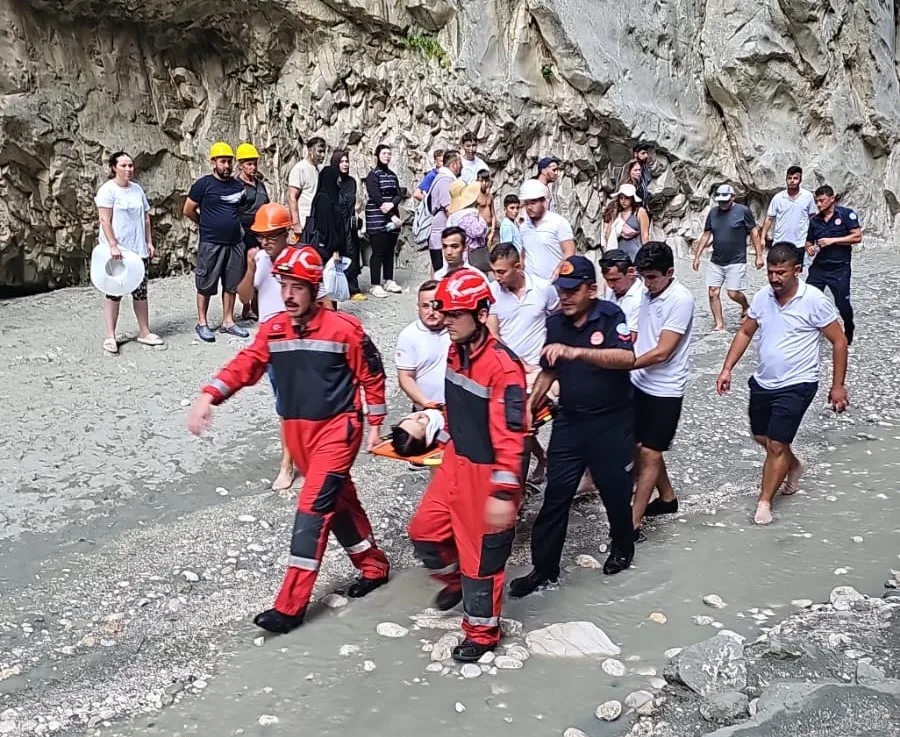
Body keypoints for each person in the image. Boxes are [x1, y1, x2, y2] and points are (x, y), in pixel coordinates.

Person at [187, 245, 391, 633]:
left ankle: (290, 607)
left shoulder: (344, 329)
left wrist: (376, 423)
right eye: (284, 284)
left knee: (312, 510)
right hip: (298, 434)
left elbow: (372, 374)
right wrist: (209, 395)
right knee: (338, 502)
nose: (288, 294)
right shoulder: (274, 328)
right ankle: (373, 565)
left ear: (315, 289)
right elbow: (246, 364)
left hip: (337, 431)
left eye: (298, 286)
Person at [407, 269, 528, 662]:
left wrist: (504, 492)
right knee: (424, 532)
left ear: (479, 314)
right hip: (457, 459)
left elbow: (513, 435)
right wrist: (430, 424)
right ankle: (453, 580)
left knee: (482, 560)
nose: (446, 321)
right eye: (445, 313)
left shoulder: (503, 367)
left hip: (488, 470)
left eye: (455, 315)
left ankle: (481, 633)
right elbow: (459, 408)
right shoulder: (455, 352)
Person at [509, 255, 637, 598]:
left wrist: (576, 352)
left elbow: (627, 359)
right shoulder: (555, 323)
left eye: (572, 290)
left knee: (614, 492)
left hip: (610, 421)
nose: (564, 296)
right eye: (561, 290)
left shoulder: (611, 317)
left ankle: (623, 546)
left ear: (591, 290)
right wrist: (530, 408)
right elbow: (549, 369)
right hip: (570, 422)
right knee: (556, 497)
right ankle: (544, 568)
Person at [716, 242, 849, 525]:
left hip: (799, 382)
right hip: (764, 381)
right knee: (760, 436)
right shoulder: (763, 297)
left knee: (776, 444)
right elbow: (745, 332)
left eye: (781, 273)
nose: (775, 278)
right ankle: (794, 464)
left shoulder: (813, 300)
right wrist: (727, 368)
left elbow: (839, 341)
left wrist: (838, 386)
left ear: (797, 270)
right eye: (770, 272)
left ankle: (764, 502)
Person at [630, 242, 695, 540]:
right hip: (640, 381)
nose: (648, 283)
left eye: (653, 277)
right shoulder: (647, 292)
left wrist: (624, 364)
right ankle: (667, 498)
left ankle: (633, 522)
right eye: (644, 277)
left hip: (665, 388)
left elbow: (663, 352)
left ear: (670, 272)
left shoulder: (681, 299)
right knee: (643, 448)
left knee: (651, 452)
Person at [487, 242, 559, 485]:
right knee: (519, 427)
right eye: (494, 271)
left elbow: (557, 322)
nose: (496, 277)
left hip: (540, 371)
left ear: (518, 267)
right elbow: (493, 335)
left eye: (501, 271)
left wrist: (549, 360)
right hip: (508, 370)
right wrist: (518, 365)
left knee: (527, 425)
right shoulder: (492, 292)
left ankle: (528, 478)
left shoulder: (544, 288)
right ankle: (529, 473)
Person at [235, 203, 296, 492]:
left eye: (272, 235)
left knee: (305, 403)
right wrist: (249, 266)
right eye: (262, 236)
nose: (265, 241)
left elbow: (323, 303)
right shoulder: (260, 260)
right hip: (272, 342)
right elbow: (245, 296)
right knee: (285, 405)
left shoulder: (301, 260)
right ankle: (287, 463)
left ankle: (302, 456)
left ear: (286, 234)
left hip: (300, 338)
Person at [95, 151, 163, 353]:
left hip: (138, 249)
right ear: (114, 167)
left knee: (141, 292)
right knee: (114, 292)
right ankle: (111, 335)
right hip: (118, 251)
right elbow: (104, 220)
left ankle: (144, 330)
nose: (128, 169)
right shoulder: (108, 190)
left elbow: (145, 218)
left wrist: (149, 242)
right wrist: (113, 245)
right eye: (123, 166)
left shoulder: (137, 190)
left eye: (130, 165)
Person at [183, 142, 250, 342]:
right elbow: (188, 209)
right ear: (213, 162)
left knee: (231, 284)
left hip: (234, 243)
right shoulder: (203, 185)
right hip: (211, 243)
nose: (226, 165)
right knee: (205, 283)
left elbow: (241, 209)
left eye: (229, 161)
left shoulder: (239, 187)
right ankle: (202, 322)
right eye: (222, 161)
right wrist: (205, 225)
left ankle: (228, 321)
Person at [692, 184, 764, 332]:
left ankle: (745, 306)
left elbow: (754, 233)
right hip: (716, 260)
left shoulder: (743, 211)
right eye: (720, 201)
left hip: (736, 259)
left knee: (733, 293)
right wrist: (697, 255)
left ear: (733, 197)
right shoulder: (713, 213)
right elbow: (707, 234)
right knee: (713, 292)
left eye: (726, 200)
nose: (723, 204)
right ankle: (719, 324)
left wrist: (759, 256)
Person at [805, 185, 862, 345]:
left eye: (822, 200)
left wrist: (834, 240)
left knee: (842, 304)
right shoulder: (815, 221)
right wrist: (809, 247)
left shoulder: (846, 215)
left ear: (832, 199)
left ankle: (848, 327)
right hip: (819, 267)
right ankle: (810, 330)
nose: (819, 204)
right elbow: (809, 240)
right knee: (808, 298)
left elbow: (857, 237)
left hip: (840, 269)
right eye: (817, 201)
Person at [395, 280, 451, 410]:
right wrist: (427, 403)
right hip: (425, 410)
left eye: (436, 306)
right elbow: (405, 377)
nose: (431, 312)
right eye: (425, 306)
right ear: (418, 307)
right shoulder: (409, 335)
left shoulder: (457, 330)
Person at [235, 142, 270, 321]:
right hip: (244, 232)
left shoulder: (260, 185)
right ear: (240, 164)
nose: (253, 167)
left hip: (261, 231)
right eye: (249, 163)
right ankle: (247, 307)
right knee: (246, 269)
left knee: (263, 267)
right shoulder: (237, 186)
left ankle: (259, 305)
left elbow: (266, 204)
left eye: (255, 163)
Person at [364, 144, 404, 298]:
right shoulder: (373, 175)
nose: (387, 156)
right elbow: (375, 196)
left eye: (389, 153)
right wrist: (390, 213)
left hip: (392, 217)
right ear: (377, 155)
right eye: (384, 153)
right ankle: (375, 284)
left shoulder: (392, 175)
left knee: (389, 251)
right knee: (378, 251)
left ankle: (389, 279)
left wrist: (392, 204)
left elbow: (398, 193)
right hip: (377, 218)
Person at [518, 179, 576, 281]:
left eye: (533, 203)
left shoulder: (558, 223)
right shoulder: (523, 228)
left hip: (555, 285)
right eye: (526, 204)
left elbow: (570, 253)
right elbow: (523, 255)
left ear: (543, 201)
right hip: (533, 288)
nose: (529, 207)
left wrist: (560, 270)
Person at [331, 150, 364, 300]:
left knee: (352, 253)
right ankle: (338, 288)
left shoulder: (351, 182)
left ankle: (353, 287)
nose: (345, 164)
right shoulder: (330, 181)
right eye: (342, 162)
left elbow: (354, 203)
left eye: (347, 161)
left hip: (349, 223)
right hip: (335, 222)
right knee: (337, 254)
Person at [760, 166, 817, 249]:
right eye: (789, 178)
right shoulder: (778, 198)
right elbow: (769, 218)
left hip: (800, 243)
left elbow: (812, 218)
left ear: (800, 180)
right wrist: (762, 238)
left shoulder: (808, 196)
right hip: (780, 242)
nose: (792, 181)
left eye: (795, 178)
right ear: (786, 180)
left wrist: (811, 239)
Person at [427, 151, 463, 274]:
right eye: (459, 163)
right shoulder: (445, 181)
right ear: (454, 164)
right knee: (441, 272)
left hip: (440, 233)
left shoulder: (441, 178)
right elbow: (449, 208)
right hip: (440, 233)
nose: (461, 166)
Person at [306, 165, 346, 269]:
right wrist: (335, 249)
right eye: (336, 178)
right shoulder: (323, 199)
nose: (338, 182)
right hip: (326, 252)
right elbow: (326, 229)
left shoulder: (329, 198)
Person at [447, 180, 490, 274]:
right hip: (472, 256)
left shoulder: (453, 217)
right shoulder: (467, 215)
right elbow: (479, 231)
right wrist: (480, 218)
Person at [599, 249, 643, 339]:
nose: (610, 285)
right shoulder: (611, 291)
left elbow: (631, 338)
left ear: (630, 272)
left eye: (615, 280)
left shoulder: (641, 297)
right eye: (607, 280)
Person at [287, 137, 326, 233]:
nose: (323, 155)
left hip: (318, 222)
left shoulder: (320, 169)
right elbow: (292, 197)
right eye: (320, 151)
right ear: (310, 150)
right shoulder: (300, 169)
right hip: (305, 223)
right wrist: (296, 224)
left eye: (324, 152)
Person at [604, 183, 650, 260]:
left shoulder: (640, 212)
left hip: (636, 253)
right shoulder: (617, 214)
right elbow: (608, 234)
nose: (623, 201)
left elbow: (644, 236)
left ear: (632, 198)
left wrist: (646, 255)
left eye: (627, 198)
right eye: (621, 198)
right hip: (619, 255)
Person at [475, 170, 497, 246]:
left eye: (486, 181)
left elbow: (493, 214)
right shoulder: (475, 197)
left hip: (490, 228)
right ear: (477, 181)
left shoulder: (490, 196)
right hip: (480, 230)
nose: (484, 183)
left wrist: (493, 231)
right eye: (481, 181)